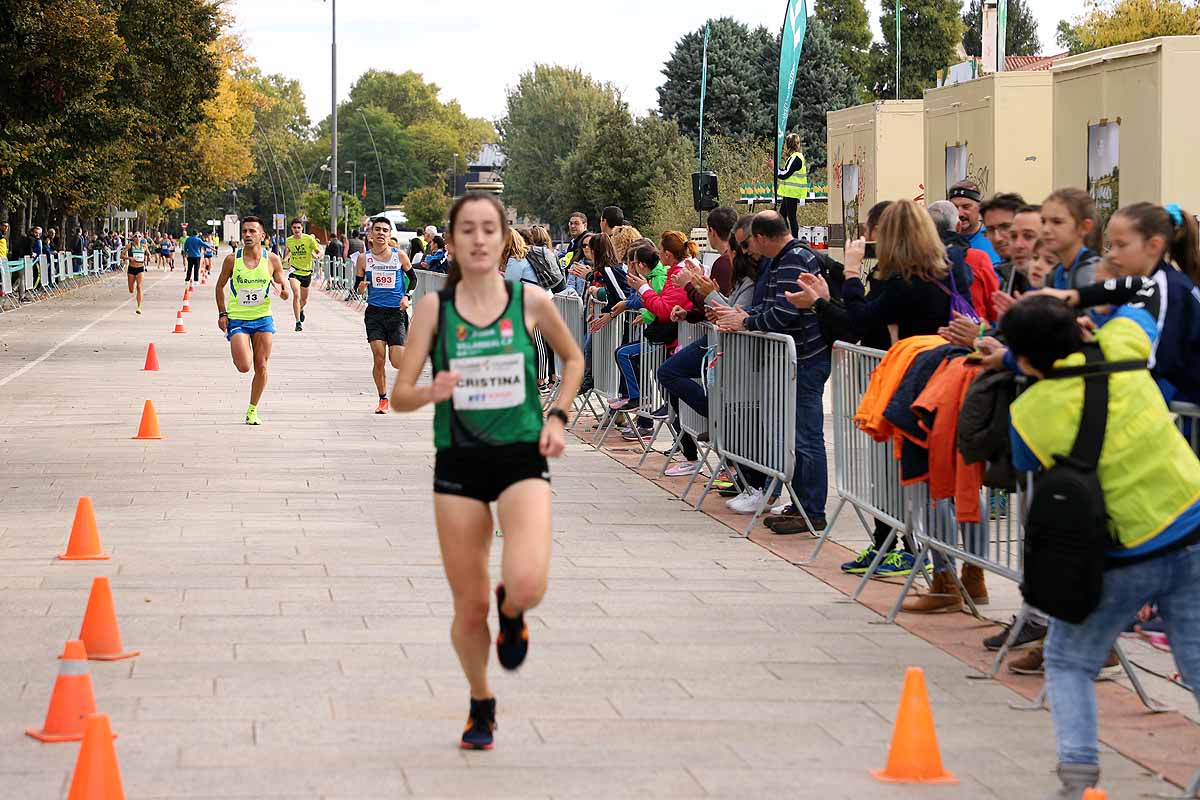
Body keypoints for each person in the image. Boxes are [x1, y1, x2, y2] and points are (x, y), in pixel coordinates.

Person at [388, 192, 584, 751]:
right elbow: (401, 395)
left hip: (522, 455)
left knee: (527, 582)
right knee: (469, 609)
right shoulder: (433, 309)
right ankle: (480, 700)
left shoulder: (532, 301)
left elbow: (573, 359)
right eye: (466, 230)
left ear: (504, 241)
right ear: (449, 243)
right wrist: (431, 390)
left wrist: (560, 416)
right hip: (459, 461)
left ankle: (514, 608)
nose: (477, 239)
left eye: (488, 230)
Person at [995, 292, 1200, 800]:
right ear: (1079, 330)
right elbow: (1140, 300)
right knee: (1197, 665)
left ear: (1023, 361)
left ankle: (1079, 776)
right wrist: (1079, 299)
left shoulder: (1028, 412)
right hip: (1193, 525)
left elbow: (1023, 463)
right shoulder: (1122, 344)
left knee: (1069, 660)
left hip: (1122, 552)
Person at [712, 210, 829, 535]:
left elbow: (784, 313)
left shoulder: (793, 261)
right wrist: (746, 313)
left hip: (805, 359)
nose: (746, 251)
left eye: (747, 243)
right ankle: (802, 504)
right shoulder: (784, 261)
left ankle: (812, 509)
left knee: (806, 438)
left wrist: (746, 321)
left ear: (761, 237)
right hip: (797, 361)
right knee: (798, 436)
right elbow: (773, 306)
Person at [1101, 202, 1200, 405]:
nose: (1112, 254)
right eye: (1110, 245)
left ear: (1154, 245)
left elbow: (1156, 361)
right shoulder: (1144, 284)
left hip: (1185, 415)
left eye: (1121, 245)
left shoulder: (1166, 288)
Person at [214, 216, 289, 425]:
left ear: (262, 236)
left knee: (261, 365)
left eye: (252, 231)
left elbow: (284, 291)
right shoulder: (232, 260)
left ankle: (252, 409)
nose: (247, 235)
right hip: (238, 318)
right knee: (244, 366)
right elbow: (219, 286)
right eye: (245, 231)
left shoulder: (272, 259)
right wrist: (222, 313)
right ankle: (239, 345)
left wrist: (281, 290)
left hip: (263, 318)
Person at [355, 216, 416, 414]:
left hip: (396, 313)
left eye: (385, 230)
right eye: (377, 229)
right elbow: (357, 287)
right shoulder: (364, 259)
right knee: (379, 358)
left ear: (390, 235)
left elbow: (413, 279)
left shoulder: (400, 256)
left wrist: (407, 296)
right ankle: (383, 399)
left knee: (397, 361)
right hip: (374, 313)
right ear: (370, 234)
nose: (381, 233)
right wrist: (361, 287)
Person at [928, 200, 997, 323]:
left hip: (926, 337)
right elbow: (995, 307)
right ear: (958, 227)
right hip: (970, 332)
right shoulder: (978, 258)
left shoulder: (914, 261)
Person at [1042, 188, 1101, 290]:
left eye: (1057, 222)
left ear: (1084, 227)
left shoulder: (1093, 272)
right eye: (1043, 221)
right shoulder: (1055, 273)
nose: (1046, 229)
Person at [948, 180, 1001, 265]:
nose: (959, 213)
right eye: (954, 207)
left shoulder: (994, 239)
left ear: (979, 207)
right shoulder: (942, 242)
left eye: (966, 207)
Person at [283, 219, 320, 332]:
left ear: (302, 228)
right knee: (296, 295)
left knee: (304, 300)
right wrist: (285, 259)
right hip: (294, 270)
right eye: (294, 228)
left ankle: (301, 309)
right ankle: (298, 322)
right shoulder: (289, 240)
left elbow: (318, 251)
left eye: (298, 227)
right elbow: (289, 252)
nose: (296, 230)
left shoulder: (309, 239)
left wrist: (318, 255)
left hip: (306, 272)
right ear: (291, 229)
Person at [776, 132, 809, 238]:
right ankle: (787, 238)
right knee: (782, 216)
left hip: (792, 192)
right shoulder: (794, 157)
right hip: (789, 191)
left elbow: (785, 174)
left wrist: (774, 169)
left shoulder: (796, 158)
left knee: (791, 217)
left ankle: (792, 240)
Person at [122, 232, 149, 314]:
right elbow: (121, 255)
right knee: (131, 290)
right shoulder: (130, 245)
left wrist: (149, 256)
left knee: (139, 286)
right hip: (131, 269)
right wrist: (129, 257)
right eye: (136, 236)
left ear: (141, 238)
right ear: (133, 238)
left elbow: (148, 253)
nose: (138, 238)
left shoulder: (144, 246)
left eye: (139, 236)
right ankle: (132, 285)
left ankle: (139, 307)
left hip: (140, 268)